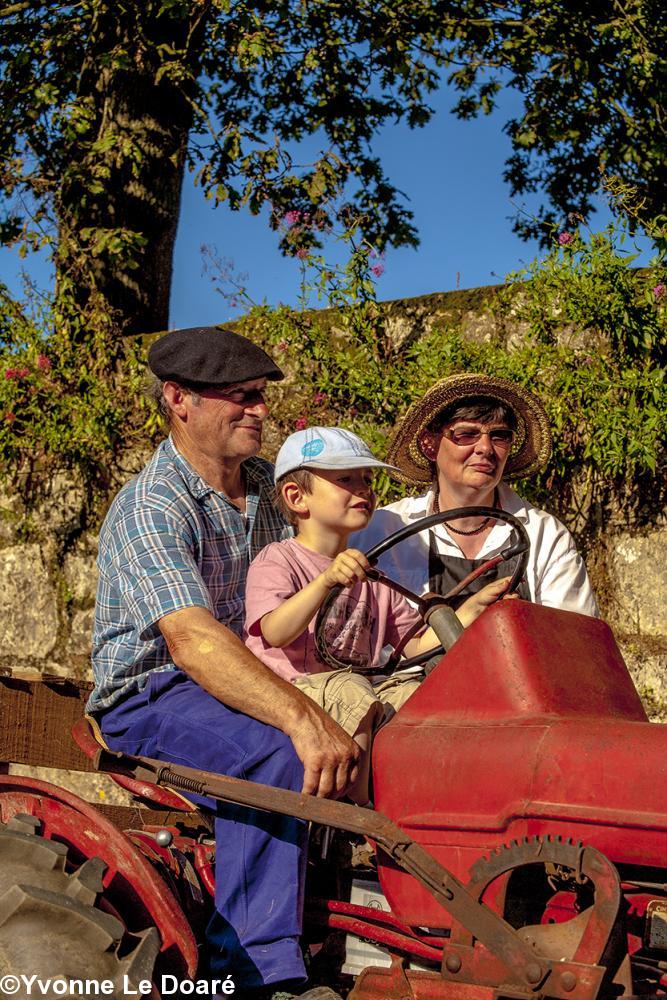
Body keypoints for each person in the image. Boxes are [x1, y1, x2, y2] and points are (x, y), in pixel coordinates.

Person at [88, 327, 357, 1000]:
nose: (259, 411)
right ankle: (250, 974)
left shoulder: (273, 490)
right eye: (238, 397)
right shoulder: (151, 506)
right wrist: (302, 717)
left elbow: (344, 544)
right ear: (178, 399)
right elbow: (194, 642)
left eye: (261, 396)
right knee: (276, 754)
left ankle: (357, 928)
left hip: (243, 678)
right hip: (151, 694)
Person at [244, 426, 513, 804]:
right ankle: (360, 811)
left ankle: (426, 797)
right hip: (295, 692)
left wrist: (468, 612)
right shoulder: (278, 559)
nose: (364, 490)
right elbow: (273, 632)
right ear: (297, 497)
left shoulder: (373, 576)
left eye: (367, 480)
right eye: (346, 480)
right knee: (353, 689)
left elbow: (415, 643)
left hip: (356, 692)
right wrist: (324, 582)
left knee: (415, 692)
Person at [353, 373, 599, 616]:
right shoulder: (385, 530)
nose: (485, 448)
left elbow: (572, 640)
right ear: (430, 445)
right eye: (466, 434)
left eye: (499, 436)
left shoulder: (543, 535)